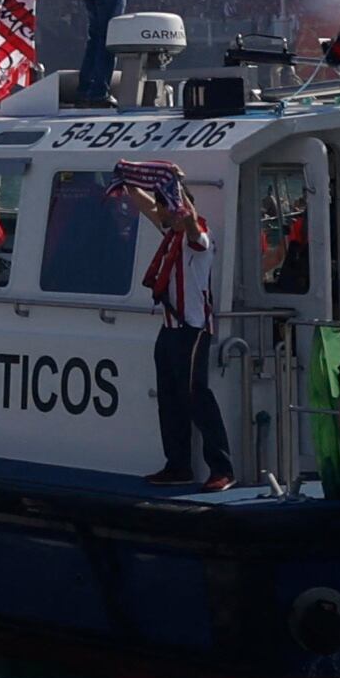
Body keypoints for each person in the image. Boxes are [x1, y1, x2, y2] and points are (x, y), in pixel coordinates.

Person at [114, 164, 232, 490]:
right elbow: (148, 207)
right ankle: (177, 465)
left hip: (192, 329)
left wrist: (178, 190)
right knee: (169, 397)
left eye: (170, 208)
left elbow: (190, 221)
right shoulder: (171, 234)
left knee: (197, 395)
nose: (164, 214)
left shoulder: (199, 239)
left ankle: (223, 467)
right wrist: (127, 180)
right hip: (170, 327)